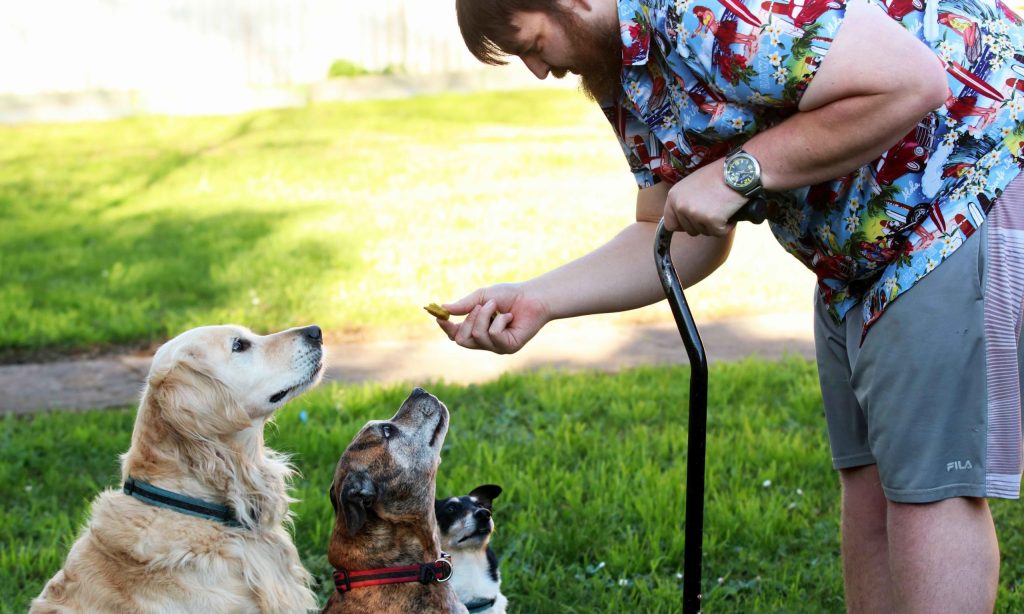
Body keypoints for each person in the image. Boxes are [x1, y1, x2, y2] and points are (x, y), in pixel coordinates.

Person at [437, 0, 1024, 611]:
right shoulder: (626, 70)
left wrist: (737, 173)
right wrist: (539, 300)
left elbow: (912, 79)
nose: (538, 70)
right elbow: (678, 237)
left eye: (532, 43)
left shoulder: (704, 9)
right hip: (857, 256)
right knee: (871, 482)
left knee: (930, 490)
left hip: (960, 191)